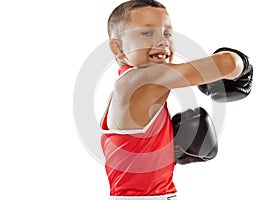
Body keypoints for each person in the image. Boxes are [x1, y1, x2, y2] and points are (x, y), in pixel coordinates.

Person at [100, 0, 253, 199]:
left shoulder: (128, 88)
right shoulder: (142, 80)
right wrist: (244, 64)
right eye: (147, 33)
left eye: (167, 33)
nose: (162, 41)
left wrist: (164, 151)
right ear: (118, 49)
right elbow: (228, 63)